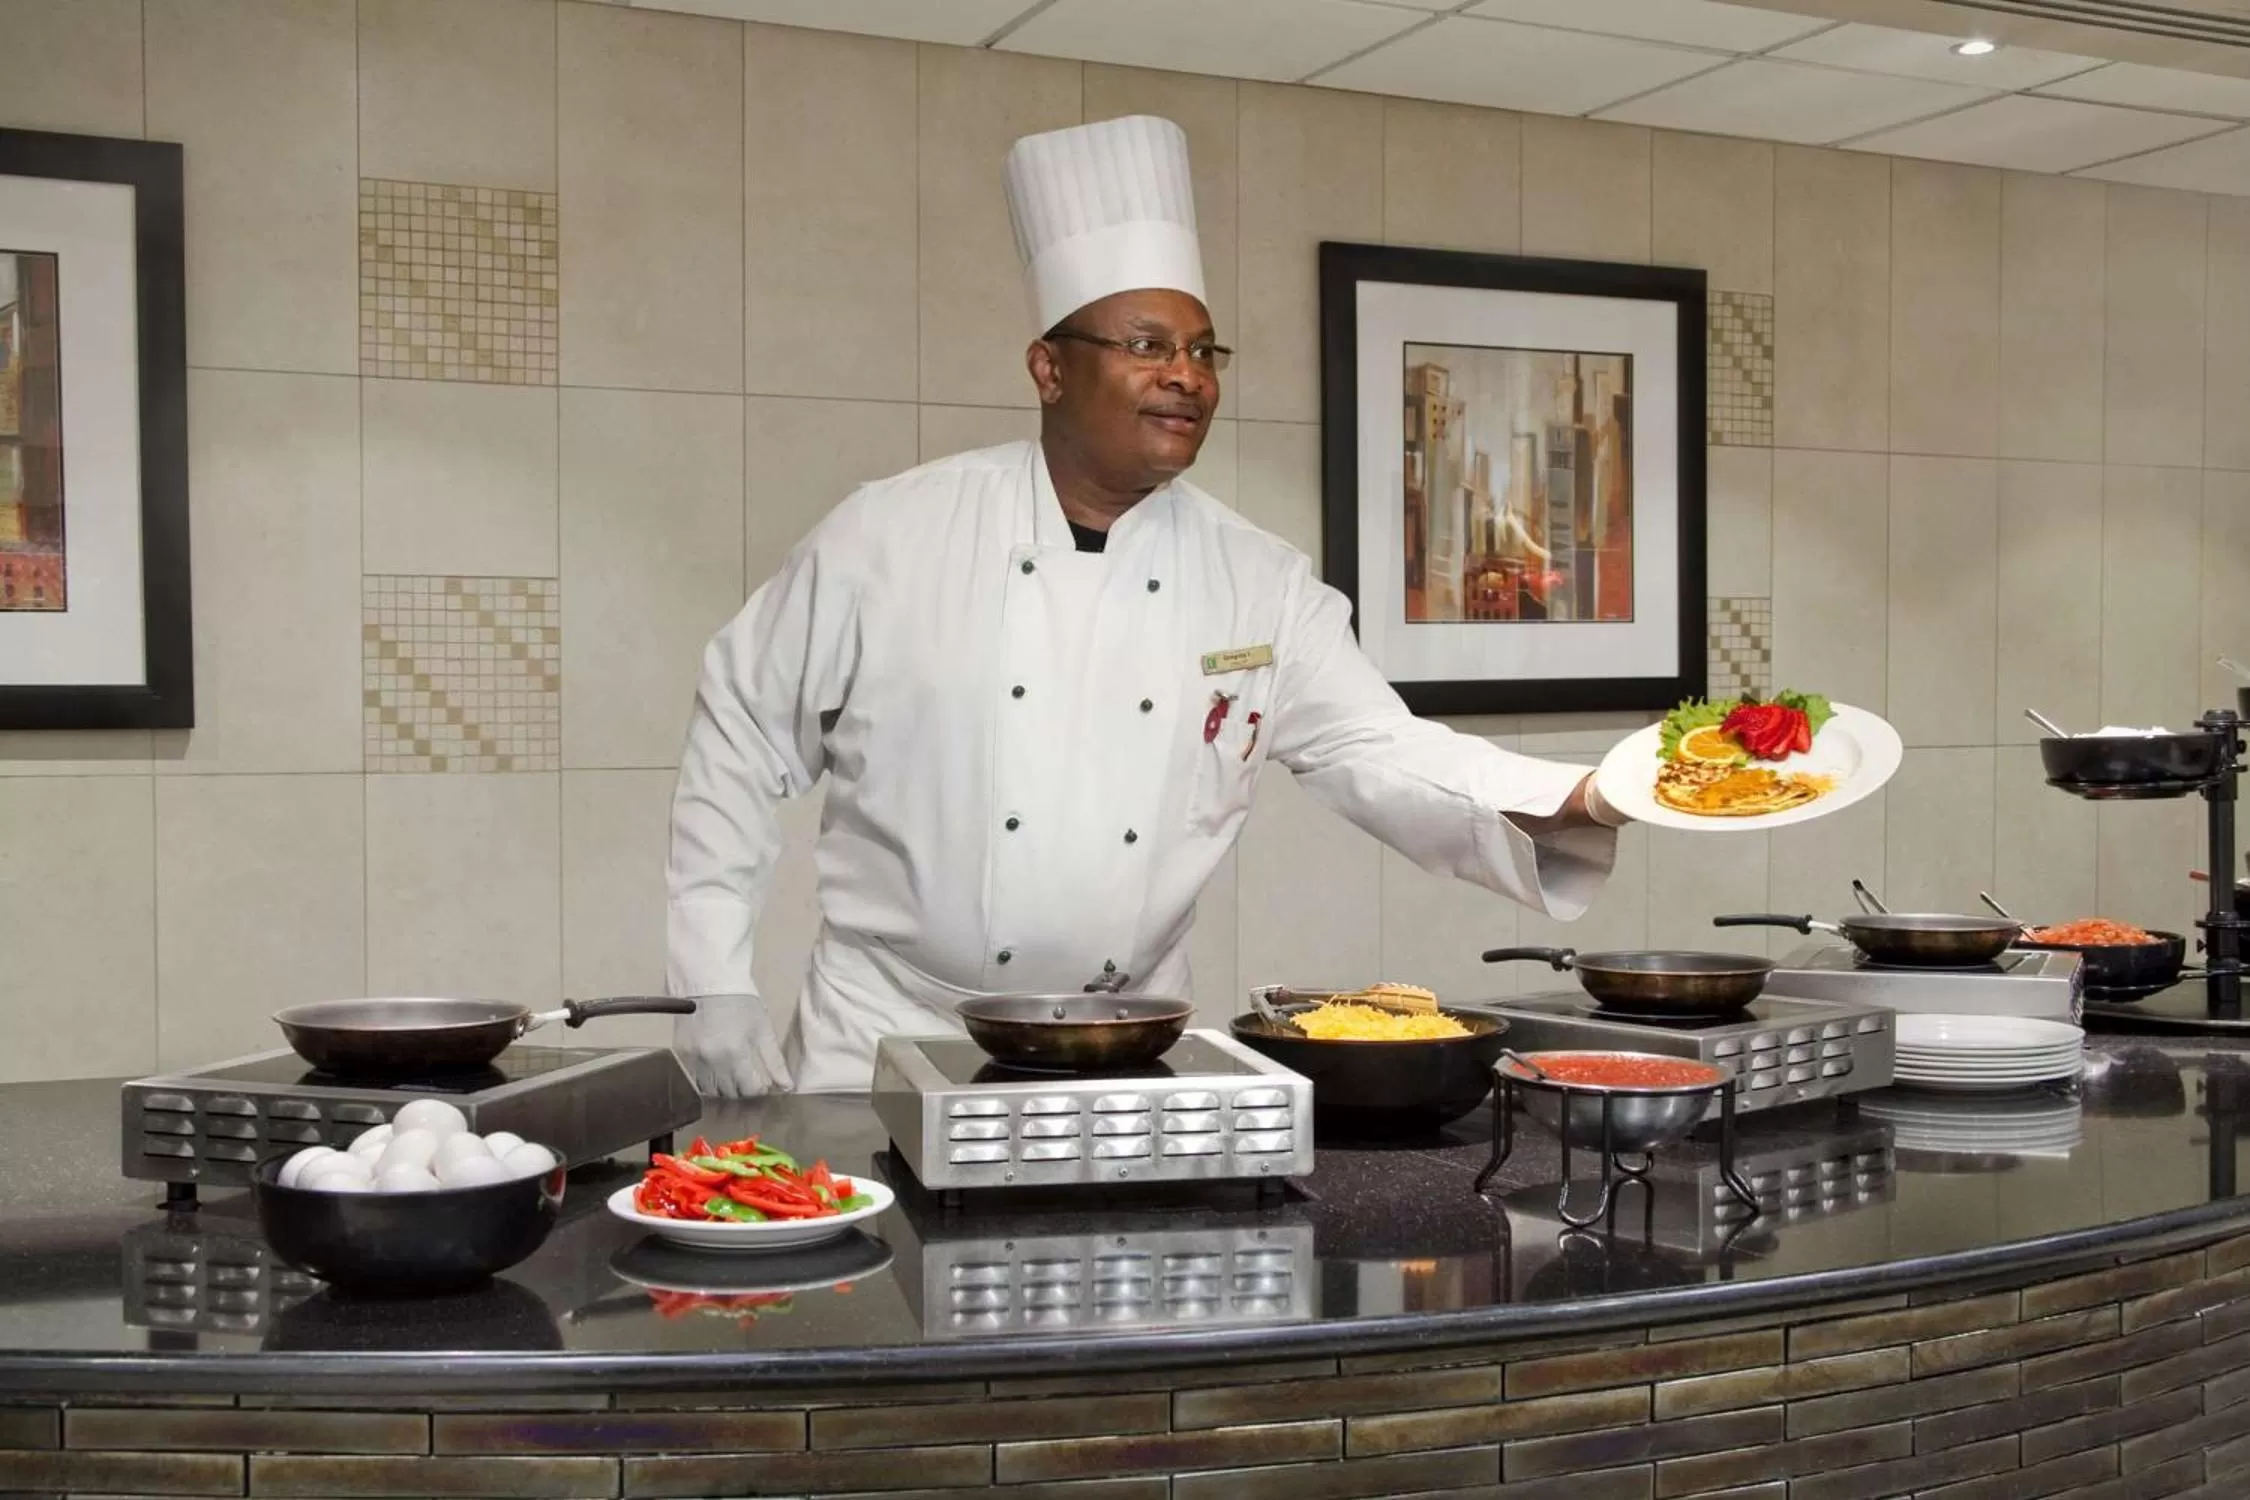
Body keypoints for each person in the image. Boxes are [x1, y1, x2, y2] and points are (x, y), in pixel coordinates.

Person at [666, 115, 1630, 1097]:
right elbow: (740, 733)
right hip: (889, 1041)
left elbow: (1375, 750)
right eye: (1148, 345)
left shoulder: (1257, 578)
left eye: (1205, 352)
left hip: (1130, 1050)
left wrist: (1584, 795)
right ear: (1049, 369)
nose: (1188, 376)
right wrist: (712, 980)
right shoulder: (888, 537)